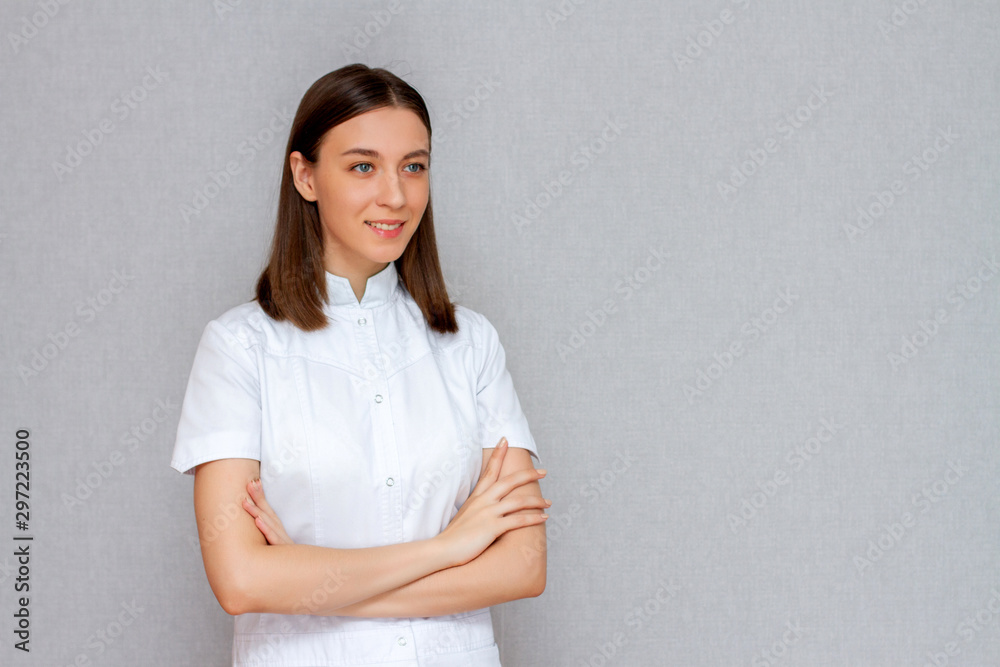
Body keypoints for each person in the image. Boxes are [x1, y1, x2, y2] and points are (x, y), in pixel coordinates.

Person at [169, 63, 549, 666]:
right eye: (363, 166)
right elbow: (241, 581)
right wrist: (453, 547)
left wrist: (309, 585)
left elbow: (524, 566)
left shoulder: (471, 343)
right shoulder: (239, 347)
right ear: (306, 176)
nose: (396, 195)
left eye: (414, 166)